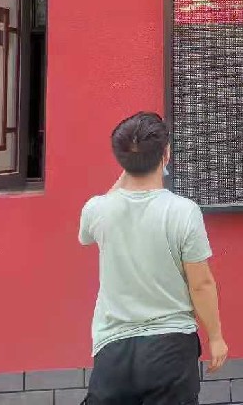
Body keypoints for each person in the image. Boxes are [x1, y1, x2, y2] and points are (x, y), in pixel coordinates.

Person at [79, 111, 227, 404]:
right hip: (171, 348)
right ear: (166, 154)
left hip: (113, 349)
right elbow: (201, 285)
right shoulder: (183, 212)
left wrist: (128, 168)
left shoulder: (97, 210)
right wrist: (216, 337)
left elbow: (88, 233)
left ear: (120, 159)